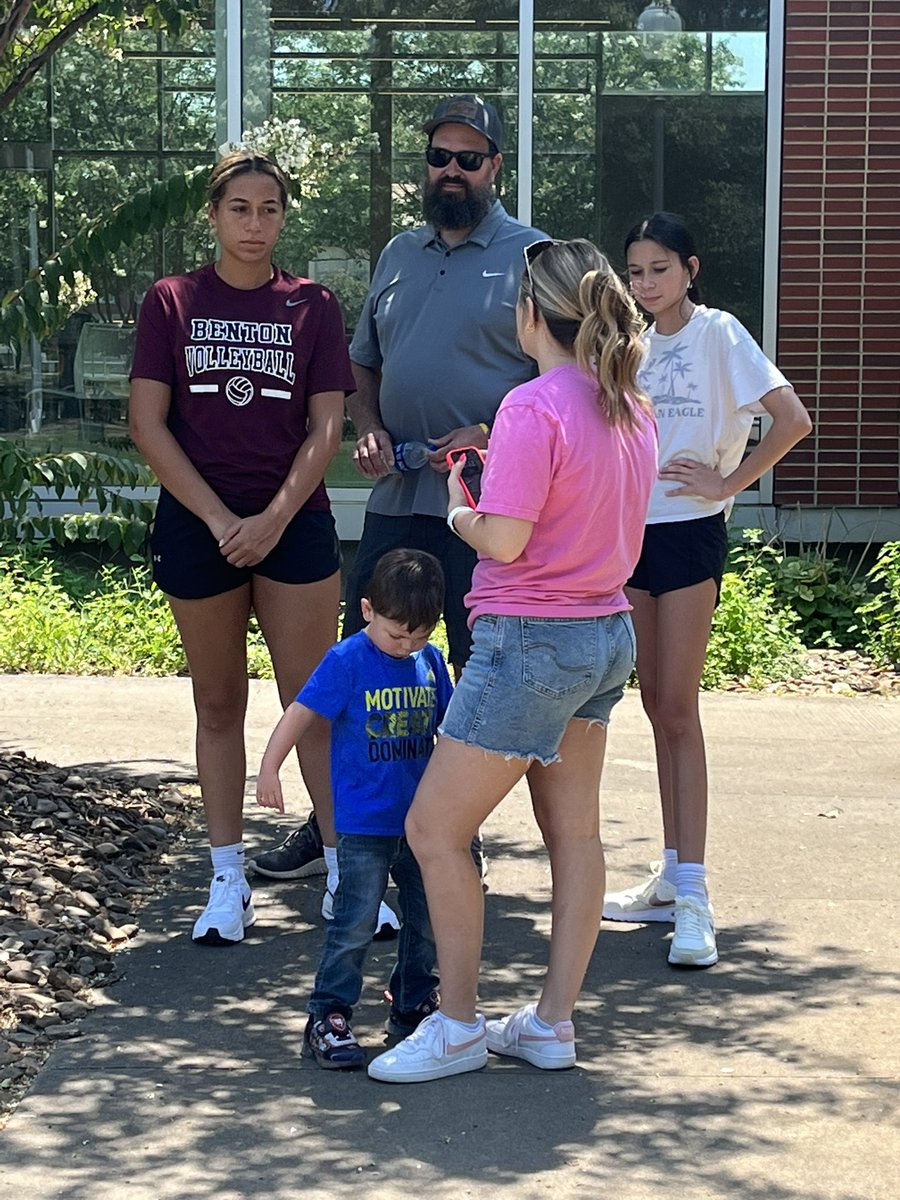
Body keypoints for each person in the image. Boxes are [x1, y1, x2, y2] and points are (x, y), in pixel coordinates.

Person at [366, 238, 659, 1084]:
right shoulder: (629, 406)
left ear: (530, 313)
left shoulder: (531, 406)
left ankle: (458, 1024)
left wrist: (461, 508)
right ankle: (551, 1024)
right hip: (605, 636)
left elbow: (503, 539)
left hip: (529, 639)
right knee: (577, 835)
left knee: (433, 829)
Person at [248, 93, 549, 889]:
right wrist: (371, 425)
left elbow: (563, 378)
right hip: (396, 501)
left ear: (494, 167)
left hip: (485, 508)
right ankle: (340, 828)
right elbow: (364, 363)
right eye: (439, 157)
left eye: (468, 159)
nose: (451, 171)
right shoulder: (398, 253)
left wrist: (493, 431)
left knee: (472, 676)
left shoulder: (532, 256)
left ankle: (451, 833)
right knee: (368, 671)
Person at [128, 149, 354, 946]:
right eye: (240, 209)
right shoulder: (173, 301)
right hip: (200, 526)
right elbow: (147, 424)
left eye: (270, 209)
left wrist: (271, 520)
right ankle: (227, 881)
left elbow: (327, 427)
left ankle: (348, 878)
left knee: (315, 706)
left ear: (284, 217)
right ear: (214, 215)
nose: (255, 224)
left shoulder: (313, 305)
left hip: (294, 524)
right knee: (218, 704)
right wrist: (223, 519)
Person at [602, 212, 812, 968]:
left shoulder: (719, 333)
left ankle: (694, 895)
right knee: (654, 702)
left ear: (690, 268)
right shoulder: (630, 347)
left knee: (680, 710)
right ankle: (669, 875)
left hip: (689, 533)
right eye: (635, 272)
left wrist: (728, 483)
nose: (646, 284)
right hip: (630, 536)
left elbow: (791, 419)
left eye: (660, 269)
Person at [256, 549, 452, 1068]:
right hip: (363, 826)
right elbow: (300, 713)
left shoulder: (430, 662)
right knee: (354, 923)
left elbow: (450, 731)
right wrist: (270, 767)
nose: (406, 645)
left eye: (419, 636)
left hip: (421, 823)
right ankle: (328, 1014)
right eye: (396, 634)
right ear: (367, 610)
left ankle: (413, 1002)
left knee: (427, 919)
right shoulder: (347, 660)